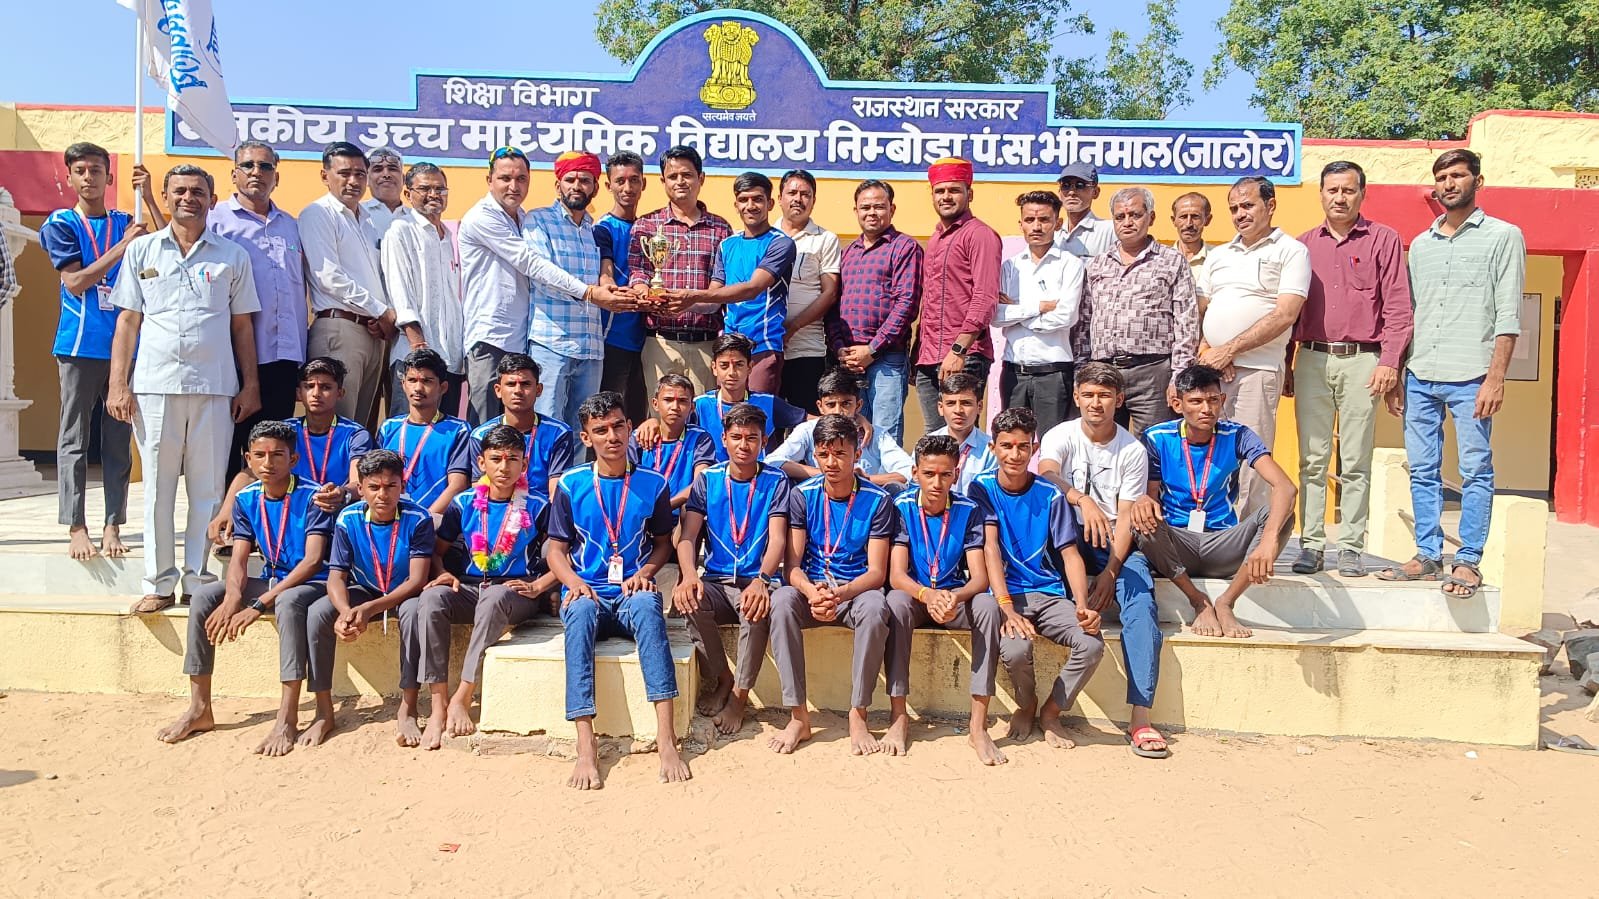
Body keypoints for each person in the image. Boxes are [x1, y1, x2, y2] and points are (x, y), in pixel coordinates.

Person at [107, 165, 261, 614]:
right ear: (165, 196)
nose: (188, 198)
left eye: (197, 191)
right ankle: (158, 581)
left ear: (212, 199)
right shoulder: (142, 251)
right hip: (154, 386)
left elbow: (242, 326)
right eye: (179, 191)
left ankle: (198, 581)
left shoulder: (232, 256)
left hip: (215, 386)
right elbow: (128, 321)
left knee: (207, 489)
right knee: (157, 488)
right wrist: (119, 383)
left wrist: (250, 384)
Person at [1377, 149, 1524, 599]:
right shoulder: (1421, 245)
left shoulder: (1503, 236)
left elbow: (1508, 315)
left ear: (1477, 181)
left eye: (1458, 176)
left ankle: (1468, 560)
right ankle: (1427, 554)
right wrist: (1397, 372)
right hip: (1421, 372)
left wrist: (1495, 378)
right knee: (1422, 469)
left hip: (1473, 374)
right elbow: (1408, 314)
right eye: (1441, 177)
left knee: (1475, 469)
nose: (1449, 184)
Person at [155, 421, 333, 755]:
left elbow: (312, 561)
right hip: (270, 580)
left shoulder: (313, 496)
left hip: (311, 582)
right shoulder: (246, 498)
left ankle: (287, 717)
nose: (268, 463)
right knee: (206, 595)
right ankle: (199, 707)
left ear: (293, 459)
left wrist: (257, 604)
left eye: (277, 455)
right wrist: (233, 597)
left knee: (289, 603)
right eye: (260, 455)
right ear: (248, 459)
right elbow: (239, 557)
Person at [547, 391, 691, 789]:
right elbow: (555, 550)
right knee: (578, 615)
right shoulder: (571, 484)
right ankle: (585, 745)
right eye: (600, 430)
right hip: (588, 592)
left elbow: (663, 543)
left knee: (648, 606)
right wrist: (574, 582)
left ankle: (666, 739)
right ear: (586, 437)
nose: (611, 437)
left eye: (617, 427)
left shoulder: (653, 483)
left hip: (630, 592)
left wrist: (645, 572)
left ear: (630, 427)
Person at [1289, 161, 1414, 577]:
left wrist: (1390, 361)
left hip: (1364, 360)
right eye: (1332, 190)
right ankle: (1311, 544)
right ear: (1321, 194)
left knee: (1355, 459)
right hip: (1312, 358)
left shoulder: (1384, 240)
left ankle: (1351, 547)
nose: (1339, 198)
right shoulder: (1303, 246)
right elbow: (1290, 310)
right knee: (1312, 458)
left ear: (1362, 194)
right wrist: (1288, 362)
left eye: (1348, 190)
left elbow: (1399, 307)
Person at [1037, 363, 1167, 758]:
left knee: (1141, 603)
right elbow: (1046, 473)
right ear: (1077, 397)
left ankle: (1140, 716)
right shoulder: (1061, 435)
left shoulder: (1132, 449)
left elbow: (1126, 516)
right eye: (1089, 395)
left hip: (1114, 541)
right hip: (1065, 537)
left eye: (1105, 395)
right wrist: (1082, 499)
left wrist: (1111, 571)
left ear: (1119, 400)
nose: (1096, 403)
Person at [40, 141, 161, 560]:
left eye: (96, 170)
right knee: (74, 438)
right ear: (70, 178)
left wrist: (150, 197)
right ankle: (76, 525)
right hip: (79, 345)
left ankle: (113, 523)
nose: (89, 177)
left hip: (125, 348)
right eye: (81, 171)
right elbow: (75, 282)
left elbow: (168, 246)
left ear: (109, 177)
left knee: (117, 440)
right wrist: (121, 249)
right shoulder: (61, 223)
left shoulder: (127, 220)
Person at [767, 414, 904, 756]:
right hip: (813, 589)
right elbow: (792, 567)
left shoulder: (878, 500)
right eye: (824, 454)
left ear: (857, 454)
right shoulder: (802, 495)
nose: (831, 462)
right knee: (781, 601)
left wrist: (839, 594)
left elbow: (877, 572)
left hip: (855, 590)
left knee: (876, 607)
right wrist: (812, 592)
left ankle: (858, 712)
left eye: (841, 453)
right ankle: (798, 715)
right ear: (814, 454)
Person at [415, 424, 558, 750]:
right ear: (481, 463)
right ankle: (438, 704)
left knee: (494, 597)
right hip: (469, 588)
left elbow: (565, 557)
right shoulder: (463, 503)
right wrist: (443, 573)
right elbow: (436, 551)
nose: (504, 467)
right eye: (496, 459)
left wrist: (540, 586)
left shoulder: (538, 506)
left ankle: (463, 695)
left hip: (515, 593)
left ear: (524, 464)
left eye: (512, 459)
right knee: (432, 598)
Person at [969, 407, 1104, 750]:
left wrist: (1082, 606)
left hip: (1048, 593)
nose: (1015, 454)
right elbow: (990, 548)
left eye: (1023, 447)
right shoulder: (981, 487)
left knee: (1091, 644)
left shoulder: (1050, 493)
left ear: (1034, 448)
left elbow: (1070, 554)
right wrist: (1006, 608)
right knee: (1015, 651)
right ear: (993, 448)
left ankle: (1052, 712)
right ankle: (1026, 705)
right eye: (1006, 446)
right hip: (1006, 596)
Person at [1130, 364, 1298, 640]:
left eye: (1212, 400)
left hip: (1223, 543)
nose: (1206, 409)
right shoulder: (1158, 438)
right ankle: (1199, 601)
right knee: (1141, 517)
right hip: (1177, 543)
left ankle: (1227, 602)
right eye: (1196, 401)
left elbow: (1286, 487)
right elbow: (1149, 496)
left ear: (1223, 400)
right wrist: (1143, 505)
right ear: (1178, 404)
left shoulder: (1238, 435)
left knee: (1282, 513)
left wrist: (1269, 540)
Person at [1194, 176, 1310, 514]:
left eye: (1247, 205)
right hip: (1212, 372)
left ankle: (1247, 538)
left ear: (1270, 205)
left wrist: (1229, 349)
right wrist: (1208, 352)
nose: (1239, 214)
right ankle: (1211, 533)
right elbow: (1198, 310)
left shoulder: (1292, 251)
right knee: (1208, 455)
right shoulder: (1218, 255)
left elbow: (1285, 313)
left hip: (1257, 371)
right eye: (1234, 208)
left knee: (1251, 460)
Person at [673, 402, 790, 734]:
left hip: (758, 579)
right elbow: (688, 537)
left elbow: (778, 539)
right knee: (690, 600)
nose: (744, 445)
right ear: (724, 439)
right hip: (717, 580)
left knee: (755, 609)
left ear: (763, 441)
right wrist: (689, 576)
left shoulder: (776, 480)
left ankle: (739, 696)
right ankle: (723, 678)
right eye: (736, 437)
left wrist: (762, 580)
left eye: (752, 438)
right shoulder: (708, 480)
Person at [888, 434, 1006, 765]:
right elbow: (896, 575)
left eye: (945, 474)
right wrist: (927, 595)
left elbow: (980, 578)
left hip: (953, 598)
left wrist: (952, 597)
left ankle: (978, 726)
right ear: (915, 473)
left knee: (987, 605)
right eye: (929, 474)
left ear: (956, 474)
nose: (937, 483)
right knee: (895, 603)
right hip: (916, 596)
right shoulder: (901, 506)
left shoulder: (969, 510)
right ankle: (899, 715)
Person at [320, 450, 436, 746]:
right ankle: (322, 708)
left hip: (405, 590)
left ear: (402, 486)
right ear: (360, 489)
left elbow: (417, 580)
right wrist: (346, 611)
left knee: (413, 613)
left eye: (390, 486)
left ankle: (408, 706)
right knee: (318, 613)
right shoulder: (348, 518)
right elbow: (336, 576)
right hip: (367, 587)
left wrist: (370, 609)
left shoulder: (418, 518)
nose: (382, 495)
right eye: (374, 487)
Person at [210, 140, 308, 481]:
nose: (257, 172)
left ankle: (265, 515)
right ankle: (225, 514)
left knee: (272, 453)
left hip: (284, 357)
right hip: (235, 357)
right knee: (229, 450)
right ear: (234, 174)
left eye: (265, 166)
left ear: (276, 177)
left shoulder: (291, 226)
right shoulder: (216, 222)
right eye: (248, 165)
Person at [207, 357, 372, 546]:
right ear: (298, 393)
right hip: (292, 515)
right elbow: (251, 472)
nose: (316, 393)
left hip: (334, 512)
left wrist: (342, 493)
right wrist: (227, 508)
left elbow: (359, 482)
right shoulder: (284, 430)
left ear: (340, 393)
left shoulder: (355, 434)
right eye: (309, 386)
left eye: (326, 387)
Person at [525, 151, 635, 427]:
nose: (577, 186)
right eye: (570, 180)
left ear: (595, 188)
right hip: (552, 344)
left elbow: (603, 279)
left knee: (584, 431)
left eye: (585, 181)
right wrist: (591, 293)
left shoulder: (591, 230)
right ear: (558, 185)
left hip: (590, 347)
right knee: (547, 425)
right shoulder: (539, 221)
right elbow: (543, 274)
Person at [1079, 187, 1200, 436]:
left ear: (1151, 218)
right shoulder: (1097, 264)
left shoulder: (1172, 261)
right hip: (1104, 372)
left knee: (1154, 445)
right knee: (1103, 445)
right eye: (1120, 217)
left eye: (1134, 215)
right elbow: (1083, 322)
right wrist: (1082, 373)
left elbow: (1186, 321)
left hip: (1152, 374)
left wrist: (1179, 375)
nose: (1127, 222)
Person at [664, 171, 796, 394]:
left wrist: (693, 295)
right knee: (728, 411)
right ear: (736, 205)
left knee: (757, 411)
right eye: (743, 200)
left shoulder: (781, 244)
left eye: (757, 199)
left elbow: (752, 289)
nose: (750, 206)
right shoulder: (727, 245)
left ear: (770, 203)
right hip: (729, 348)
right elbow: (713, 301)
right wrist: (678, 302)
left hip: (763, 345)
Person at [628, 145, 734, 395]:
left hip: (706, 344)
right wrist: (647, 294)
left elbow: (722, 286)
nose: (680, 182)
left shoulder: (721, 229)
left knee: (703, 415)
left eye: (687, 175)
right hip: (659, 342)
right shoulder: (646, 225)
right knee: (661, 416)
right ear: (663, 181)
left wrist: (692, 301)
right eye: (673, 176)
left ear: (701, 178)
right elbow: (638, 272)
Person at [301, 142, 394, 425]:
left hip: (373, 331)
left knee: (359, 428)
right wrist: (381, 310)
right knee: (334, 426)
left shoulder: (367, 221)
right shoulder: (318, 213)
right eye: (344, 173)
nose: (353, 181)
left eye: (360, 174)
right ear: (325, 175)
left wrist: (381, 315)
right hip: (339, 329)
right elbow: (329, 277)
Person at [830, 179, 921, 443]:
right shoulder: (847, 253)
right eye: (865, 207)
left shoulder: (905, 248)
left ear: (892, 209)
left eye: (879, 207)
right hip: (848, 361)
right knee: (850, 434)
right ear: (856, 211)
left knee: (884, 436)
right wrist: (839, 348)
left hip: (886, 359)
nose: (872, 213)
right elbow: (833, 305)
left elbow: (906, 305)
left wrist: (872, 349)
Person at [914, 157, 1001, 425]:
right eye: (940, 191)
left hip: (964, 355)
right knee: (935, 438)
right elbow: (929, 302)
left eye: (954, 190)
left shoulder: (980, 235)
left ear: (969, 194)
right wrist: (917, 354)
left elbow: (985, 298)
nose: (946, 197)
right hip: (928, 356)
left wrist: (958, 350)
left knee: (962, 436)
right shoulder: (935, 239)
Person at [458, 146, 539, 424]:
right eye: (505, 178)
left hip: (520, 338)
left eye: (521, 179)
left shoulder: (525, 220)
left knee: (512, 425)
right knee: (484, 422)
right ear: (489, 180)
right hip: (489, 338)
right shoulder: (482, 216)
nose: (513, 186)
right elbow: (529, 262)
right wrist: (587, 292)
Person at [635, 332, 805, 461]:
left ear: (750, 367)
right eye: (724, 365)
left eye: (739, 365)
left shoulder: (767, 403)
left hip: (757, 481)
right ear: (714, 368)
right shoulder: (699, 405)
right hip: (711, 481)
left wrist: (782, 456)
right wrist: (653, 422)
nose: (732, 372)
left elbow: (809, 421)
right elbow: (672, 425)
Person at [995, 190, 1083, 436]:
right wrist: (1038, 307)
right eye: (1030, 220)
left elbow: (1066, 316)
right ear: (1020, 224)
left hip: (1052, 373)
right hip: (1013, 371)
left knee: (1053, 445)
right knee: (1011, 442)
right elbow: (996, 316)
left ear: (1058, 223)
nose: (1036, 226)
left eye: (1044, 220)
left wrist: (1017, 312)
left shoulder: (1070, 265)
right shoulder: (1010, 266)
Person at [382, 162, 465, 417]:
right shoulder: (401, 230)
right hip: (414, 355)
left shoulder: (448, 237)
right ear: (408, 194)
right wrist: (417, 343)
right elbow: (399, 289)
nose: (434, 195)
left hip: (450, 359)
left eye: (440, 189)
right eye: (425, 189)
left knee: (444, 433)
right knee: (408, 431)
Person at [769, 369, 913, 492]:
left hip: (866, 500)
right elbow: (773, 462)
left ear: (858, 405)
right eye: (831, 405)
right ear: (820, 406)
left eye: (846, 404)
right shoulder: (807, 430)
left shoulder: (876, 434)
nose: (838, 411)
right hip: (822, 499)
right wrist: (828, 474)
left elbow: (910, 471)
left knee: (897, 488)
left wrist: (862, 479)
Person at [465, 353, 575, 501]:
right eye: (511, 384)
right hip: (496, 511)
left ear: (539, 390)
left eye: (525, 384)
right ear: (498, 390)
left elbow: (555, 492)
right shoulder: (480, 435)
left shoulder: (559, 433)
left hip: (542, 512)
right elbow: (479, 490)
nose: (517, 391)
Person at [776, 170, 841, 414]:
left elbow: (829, 293)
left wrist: (792, 327)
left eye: (805, 194)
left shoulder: (826, 239)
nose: (798, 199)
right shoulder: (765, 236)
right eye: (792, 193)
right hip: (768, 347)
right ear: (779, 198)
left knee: (807, 423)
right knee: (766, 424)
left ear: (813, 200)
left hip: (807, 350)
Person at [376, 348, 472, 516]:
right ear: (403, 384)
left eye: (427, 381)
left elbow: (458, 485)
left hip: (436, 520)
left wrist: (423, 520)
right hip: (391, 520)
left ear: (443, 387)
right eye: (412, 380)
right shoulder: (388, 427)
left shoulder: (458, 430)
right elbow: (375, 477)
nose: (418, 388)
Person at [594, 150, 650, 424]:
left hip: (648, 339)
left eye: (634, 180)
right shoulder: (603, 229)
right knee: (609, 417)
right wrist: (616, 289)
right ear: (608, 185)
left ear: (643, 183)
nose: (627, 188)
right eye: (620, 181)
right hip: (613, 338)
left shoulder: (652, 228)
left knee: (639, 420)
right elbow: (605, 276)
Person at [629, 373, 716, 519]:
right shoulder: (639, 437)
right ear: (655, 404)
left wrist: (664, 508)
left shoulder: (700, 438)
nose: (675, 407)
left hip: (679, 513)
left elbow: (699, 483)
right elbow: (627, 481)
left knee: (688, 508)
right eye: (668, 400)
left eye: (682, 401)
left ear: (692, 407)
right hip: (643, 514)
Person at [926, 372, 997, 492]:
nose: (958, 410)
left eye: (966, 403)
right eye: (951, 403)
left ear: (979, 406)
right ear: (941, 408)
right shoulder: (927, 445)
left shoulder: (990, 450)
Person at [1054, 162, 1114, 259]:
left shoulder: (1109, 231)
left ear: (1095, 192)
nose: (1071, 192)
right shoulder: (1052, 233)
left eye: (1080, 185)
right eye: (1066, 185)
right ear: (1059, 192)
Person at [360, 147, 406, 237]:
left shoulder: (417, 218)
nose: (386, 174)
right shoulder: (357, 214)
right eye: (378, 169)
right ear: (366, 179)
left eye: (392, 169)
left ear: (403, 179)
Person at [1171, 192, 1213, 271]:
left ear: (1207, 220)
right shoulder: (1160, 259)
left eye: (1195, 217)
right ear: (1174, 221)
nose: (1188, 224)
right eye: (1183, 217)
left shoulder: (1219, 257)